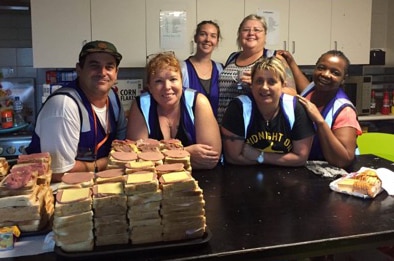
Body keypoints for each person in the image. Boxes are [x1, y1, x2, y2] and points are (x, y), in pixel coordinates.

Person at [26, 40, 127, 182]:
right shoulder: (64, 106)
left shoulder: (113, 99)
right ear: (79, 69)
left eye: (109, 67)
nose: (102, 72)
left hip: (95, 186)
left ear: (116, 73)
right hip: (53, 192)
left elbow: (122, 147)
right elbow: (57, 173)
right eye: (94, 66)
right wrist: (103, 164)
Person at [126, 52, 221, 170]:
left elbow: (211, 158)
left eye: (173, 79)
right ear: (149, 87)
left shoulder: (198, 102)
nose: (167, 87)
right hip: (155, 182)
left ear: (182, 82)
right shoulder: (141, 105)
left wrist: (157, 157)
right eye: (158, 81)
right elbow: (137, 159)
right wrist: (186, 152)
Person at [221, 56, 315, 166]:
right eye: (259, 81)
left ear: (283, 85)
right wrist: (284, 160)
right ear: (252, 85)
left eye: (271, 82)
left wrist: (260, 156)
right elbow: (233, 157)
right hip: (245, 176)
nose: (264, 87)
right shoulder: (238, 108)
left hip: (287, 178)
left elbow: (300, 158)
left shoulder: (296, 109)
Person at [277, 49, 362, 168]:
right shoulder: (313, 88)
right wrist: (291, 62)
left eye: (335, 73)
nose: (325, 74)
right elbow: (304, 86)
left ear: (343, 78)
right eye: (321, 68)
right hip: (308, 166)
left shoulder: (344, 110)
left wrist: (319, 121)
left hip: (337, 176)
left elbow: (345, 160)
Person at [217, 14, 296, 123]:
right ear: (239, 35)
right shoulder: (233, 57)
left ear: (265, 35)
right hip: (224, 123)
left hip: (253, 126)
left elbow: (292, 93)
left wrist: (258, 85)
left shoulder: (274, 57)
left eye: (257, 30)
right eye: (246, 30)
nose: (251, 33)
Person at [181, 20, 223, 117]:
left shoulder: (220, 69)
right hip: (190, 129)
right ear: (196, 38)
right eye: (203, 34)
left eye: (213, 36)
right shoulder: (182, 69)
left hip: (215, 129)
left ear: (217, 42)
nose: (207, 39)